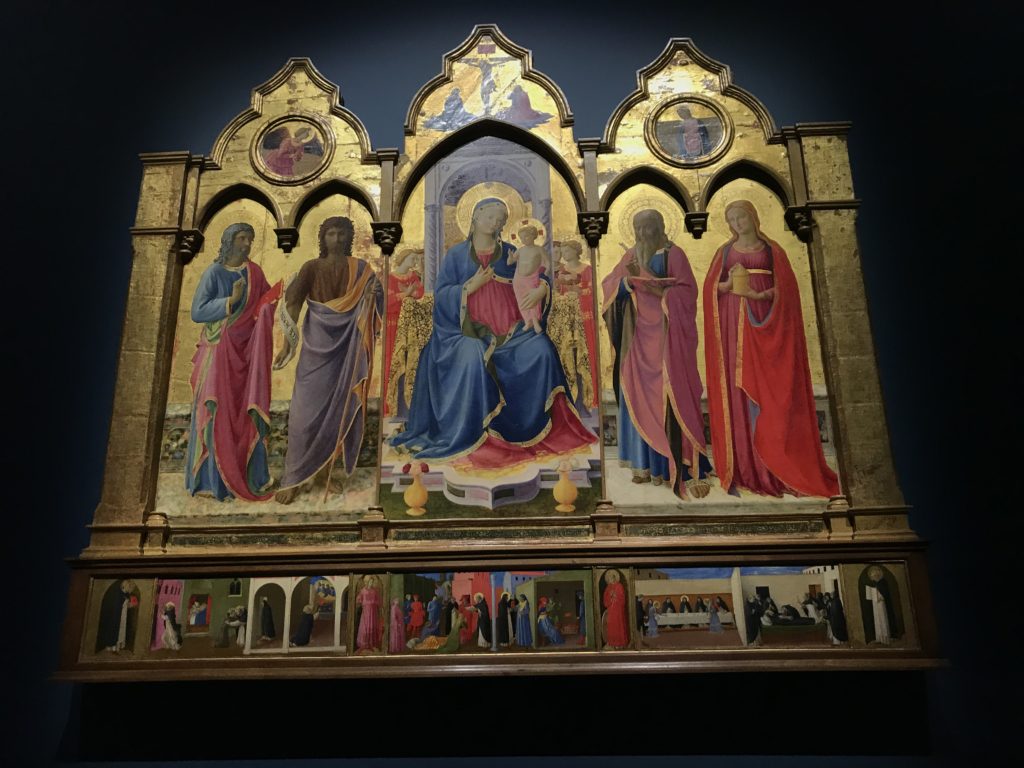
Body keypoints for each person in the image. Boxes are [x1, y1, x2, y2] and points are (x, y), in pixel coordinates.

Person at [390, 198, 596, 469]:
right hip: (463, 334)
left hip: (512, 333)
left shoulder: (511, 252)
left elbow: (538, 275)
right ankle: (473, 436)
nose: (495, 223)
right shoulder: (456, 255)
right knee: (473, 353)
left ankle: (536, 430)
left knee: (542, 349)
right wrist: (469, 287)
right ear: (475, 216)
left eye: (500, 219)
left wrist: (542, 290)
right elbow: (442, 297)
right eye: (490, 216)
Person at [703, 200, 840, 498]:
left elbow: (787, 290)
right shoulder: (724, 252)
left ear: (753, 217)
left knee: (769, 392)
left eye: (741, 217)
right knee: (739, 391)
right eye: (732, 219)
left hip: (767, 323)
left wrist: (759, 294)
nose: (738, 223)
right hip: (732, 326)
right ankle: (746, 468)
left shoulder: (772, 251)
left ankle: (777, 467)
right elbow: (711, 289)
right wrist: (728, 284)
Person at [274, 216, 383, 504]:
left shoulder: (361, 269)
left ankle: (324, 473)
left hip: (346, 351)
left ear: (348, 237)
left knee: (336, 414)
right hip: (316, 349)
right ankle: (293, 477)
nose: (336, 239)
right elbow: (293, 302)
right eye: (331, 233)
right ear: (322, 238)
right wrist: (288, 344)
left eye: (341, 233)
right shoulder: (311, 267)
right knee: (303, 415)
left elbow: (377, 302)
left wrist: (372, 296)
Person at [601, 209, 710, 495]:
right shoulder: (631, 256)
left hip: (666, 340)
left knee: (668, 394)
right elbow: (609, 284)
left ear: (660, 227)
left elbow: (687, 292)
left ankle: (672, 464)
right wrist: (626, 282)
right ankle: (643, 465)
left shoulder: (674, 254)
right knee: (635, 393)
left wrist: (660, 291)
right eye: (638, 227)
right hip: (636, 340)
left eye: (648, 227)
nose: (642, 233)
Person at [186, 222, 280, 501]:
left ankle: (253, 477)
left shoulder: (254, 272)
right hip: (219, 352)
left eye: (250, 239)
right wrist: (231, 300)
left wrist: (270, 304)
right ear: (229, 241)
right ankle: (211, 482)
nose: (247, 244)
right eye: (241, 238)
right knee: (217, 411)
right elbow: (197, 311)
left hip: (247, 352)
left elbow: (264, 303)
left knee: (245, 413)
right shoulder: (214, 272)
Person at [554, 240, 599, 410]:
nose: (564, 254)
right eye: (563, 251)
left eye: (567, 251)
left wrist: (579, 292)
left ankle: (591, 396)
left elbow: (593, 292)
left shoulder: (587, 269)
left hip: (585, 318)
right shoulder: (562, 271)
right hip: (568, 322)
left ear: (576, 251)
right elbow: (560, 293)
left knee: (588, 353)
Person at [384, 248, 425, 417]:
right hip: (393, 326)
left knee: (411, 362)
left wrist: (406, 294)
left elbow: (421, 295)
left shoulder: (414, 277)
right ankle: (391, 406)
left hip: (410, 326)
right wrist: (407, 294)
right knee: (393, 362)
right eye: (413, 258)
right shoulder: (389, 278)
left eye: (416, 259)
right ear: (404, 258)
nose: (415, 261)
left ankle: (409, 406)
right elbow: (387, 303)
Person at [508, 224, 546, 334]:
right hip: (518, 279)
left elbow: (547, 263)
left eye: (526, 236)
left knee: (533, 299)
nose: (523, 239)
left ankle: (535, 321)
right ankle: (527, 321)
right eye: (521, 238)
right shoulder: (520, 250)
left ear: (533, 236)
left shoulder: (539, 249)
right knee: (521, 300)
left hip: (532, 278)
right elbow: (510, 262)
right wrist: (510, 257)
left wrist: (546, 273)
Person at [603, 570, 629, 649]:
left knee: (619, 626)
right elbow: (605, 600)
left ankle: (620, 644)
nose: (611, 579)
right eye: (609, 578)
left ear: (615, 578)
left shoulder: (619, 586)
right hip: (611, 611)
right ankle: (613, 643)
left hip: (618, 611)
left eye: (612, 578)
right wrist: (610, 598)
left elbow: (622, 598)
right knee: (612, 627)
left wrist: (616, 597)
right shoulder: (608, 588)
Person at [355, 576, 383, 651]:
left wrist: (375, 603)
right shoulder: (363, 590)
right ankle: (364, 644)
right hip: (366, 611)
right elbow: (358, 600)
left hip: (373, 611)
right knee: (365, 625)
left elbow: (379, 601)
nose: (371, 583)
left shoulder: (374, 591)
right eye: (370, 582)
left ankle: (372, 644)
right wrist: (364, 603)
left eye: (372, 582)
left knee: (372, 625)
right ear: (367, 582)